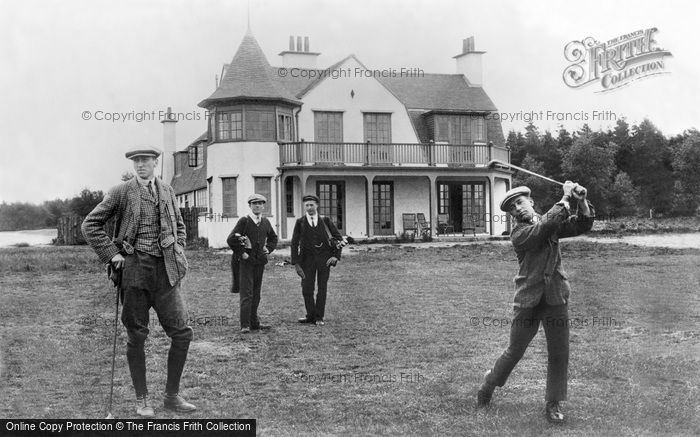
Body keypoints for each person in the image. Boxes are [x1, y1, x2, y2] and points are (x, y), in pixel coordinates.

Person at [81, 146, 196, 417]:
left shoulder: (167, 190)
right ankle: (142, 399)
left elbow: (179, 225)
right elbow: (90, 224)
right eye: (136, 161)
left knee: (182, 333)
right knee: (137, 335)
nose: (140, 165)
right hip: (134, 271)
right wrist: (112, 254)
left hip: (166, 271)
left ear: (156, 162)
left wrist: (178, 246)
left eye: (145, 160)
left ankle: (172, 396)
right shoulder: (121, 192)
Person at [476, 181, 594, 424]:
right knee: (514, 351)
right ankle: (489, 384)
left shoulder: (550, 223)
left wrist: (581, 201)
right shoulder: (519, 234)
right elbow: (543, 228)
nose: (517, 209)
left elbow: (582, 224)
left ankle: (553, 403)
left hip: (555, 296)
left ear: (531, 202)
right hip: (528, 300)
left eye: (520, 202)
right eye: (511, 208)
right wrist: (564, 198)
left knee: (559, 353)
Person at [227, 194, 278, 334]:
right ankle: (245, 324)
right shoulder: (244, 221)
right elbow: (231, 239)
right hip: (245, 263)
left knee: (256, 293)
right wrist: (242, 253)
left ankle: (254, 323)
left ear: (263, 206)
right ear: (250, 205)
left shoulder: (265, 222)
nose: (257, 206)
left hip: (259, 262)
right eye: (254, 203)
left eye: (260, 203)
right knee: (247, 293)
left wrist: (269, 248)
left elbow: (273, 238)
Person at [290, 194, 344, 326]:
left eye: (311, 205)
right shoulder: (300, 222)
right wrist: (296, 263)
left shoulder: (325, 221)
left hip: (324, 261)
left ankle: (319, 317)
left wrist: (335, 256)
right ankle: (310, 315)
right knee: (307, 289)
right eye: (307, 205)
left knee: (322, 288)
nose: (309, 207)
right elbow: (294, 243)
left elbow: (339, 239)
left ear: (317, 205)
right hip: (306, 261)